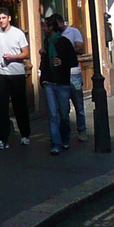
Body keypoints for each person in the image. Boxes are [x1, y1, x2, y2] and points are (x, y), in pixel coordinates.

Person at [0, 6, 31, 149]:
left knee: (19, 105)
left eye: (3, 18)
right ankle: (2, 139)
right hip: (1, 74)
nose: (1, 21)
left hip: (16, 74)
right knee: (1, 107)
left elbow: (26, 53)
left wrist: (12, 57)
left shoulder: (18, 33)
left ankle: (25, 135)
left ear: (9, 18)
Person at [40, 14, 78, 154]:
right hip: (49, 82)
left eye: (45, 25)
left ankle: (65, 138)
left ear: (51, 27)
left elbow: (73, 61)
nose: (43, 28)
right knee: (52, 114)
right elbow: (44, 62)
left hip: (62, 82)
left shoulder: (64, 42)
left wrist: (62, 62)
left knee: (63, 114)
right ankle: (55, 143)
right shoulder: (46, 42)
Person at [58, 12, 87, 136]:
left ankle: (82, 130)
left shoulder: (73, 32)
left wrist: (64, 51)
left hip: (74, 72)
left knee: (78, 105)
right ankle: (66, 134)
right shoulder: (55, 36)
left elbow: (80, 48)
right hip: (61, 73)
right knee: (64, 108)